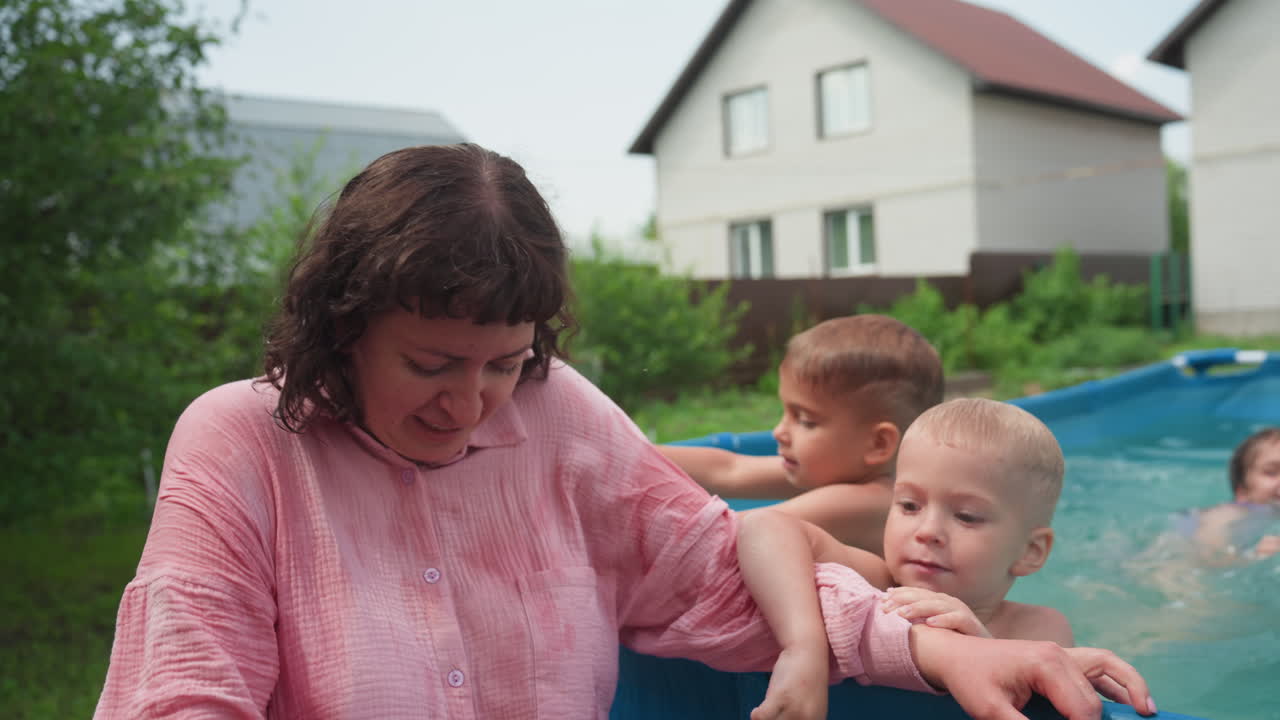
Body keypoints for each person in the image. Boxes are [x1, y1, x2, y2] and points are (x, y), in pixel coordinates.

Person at [95, 143, 1151, 719]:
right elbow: (182, 694)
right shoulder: (241, 442)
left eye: (502, 364)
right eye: (429, 364)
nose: (469, 407)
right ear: (342, 325)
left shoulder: (557, 414)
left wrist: (931, 650)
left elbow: (708, 572)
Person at [738, 398, 1157, 719]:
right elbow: (763, 528)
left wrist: (983, 648)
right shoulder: (876, 583)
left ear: (1030, 552)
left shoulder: (1039, 627)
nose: (927, 531)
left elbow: (1045, 698)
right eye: (908, 506)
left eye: (967, 516)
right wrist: (802, 649)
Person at [659, 315, 943, 553]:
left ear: (878, 444)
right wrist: (628, 450)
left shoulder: (868, 502)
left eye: (805, 420)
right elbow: (730, 469)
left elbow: (726, 535)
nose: (779, 432)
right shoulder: (835, 470)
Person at [1185, 427, 1280, 561]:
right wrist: (1254, 556)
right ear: (1242, 491)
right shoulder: (1230, 514)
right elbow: (1204, 556)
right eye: (1271, 472)